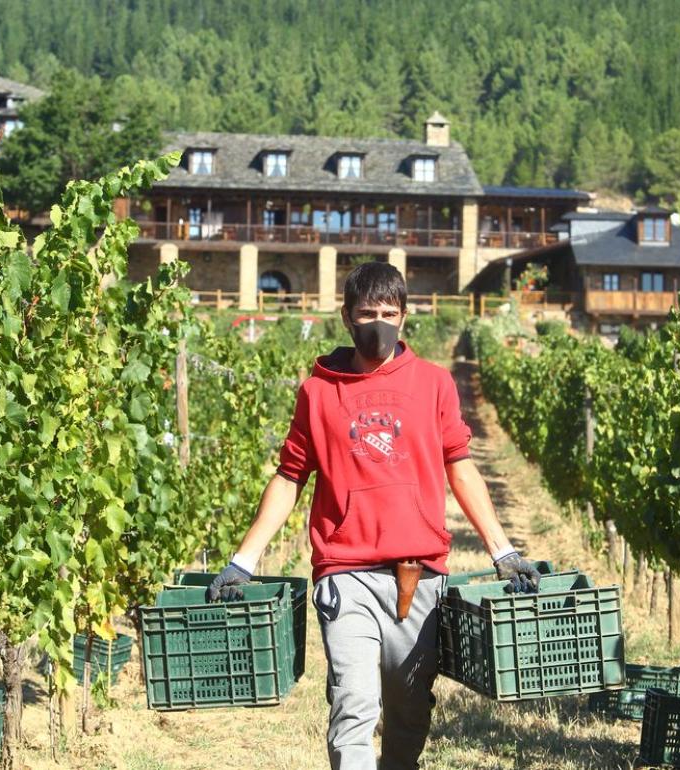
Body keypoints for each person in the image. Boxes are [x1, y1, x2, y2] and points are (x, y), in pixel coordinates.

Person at [206, 262, 540, 770]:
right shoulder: (318, 392)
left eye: (389, 313)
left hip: (420, 573)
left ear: (404, 318)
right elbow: (290, 476)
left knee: (409, 712)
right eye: (367, 313)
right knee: (354, 703)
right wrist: (243, 560)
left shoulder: (433, 384)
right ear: (346, 317)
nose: (378, 323)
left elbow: (462, 468)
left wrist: (504, 551)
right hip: (346, 572)